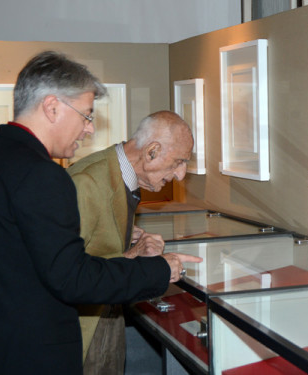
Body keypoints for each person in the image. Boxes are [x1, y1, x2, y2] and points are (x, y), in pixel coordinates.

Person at [0, 50, 201, 375]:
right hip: (38, 358)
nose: (89, 130)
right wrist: (157, 270)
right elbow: (72, 277)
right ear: (52, 107)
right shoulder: (43, 176)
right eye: (86, 115)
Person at [67, 110, 193, 374]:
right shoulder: (87, 182)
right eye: (179, 161)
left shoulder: (119, 175)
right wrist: (135, 257)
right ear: (152, 152)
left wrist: (126, 238)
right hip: (84, 331)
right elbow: (69, 275)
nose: (181, 174)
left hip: (108, 316)